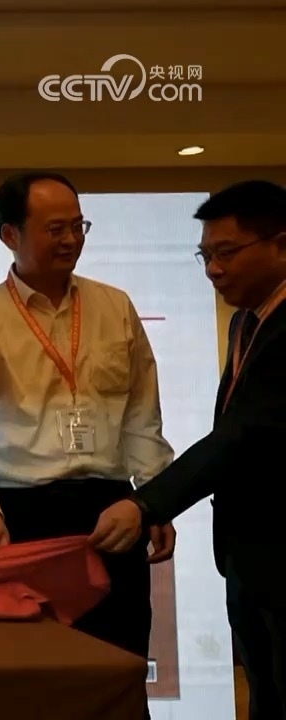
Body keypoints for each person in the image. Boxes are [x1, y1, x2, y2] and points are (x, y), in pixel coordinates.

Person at [0, 173, 175, 707]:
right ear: (10, 235)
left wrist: (158, 498)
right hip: (26, 515)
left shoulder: (115, 306)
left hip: (112, 508)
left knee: (119, 669)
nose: (71, 239)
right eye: (55, 229)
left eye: (78, 226)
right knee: (36, 678)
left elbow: (141, 414)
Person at [92, 180, 286, 720]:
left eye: (227, 252)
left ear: (281, 244)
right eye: (205, 255)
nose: (213, 270)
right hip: (251, 556)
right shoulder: (250, 319)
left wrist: (147, 502)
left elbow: (243, 435)